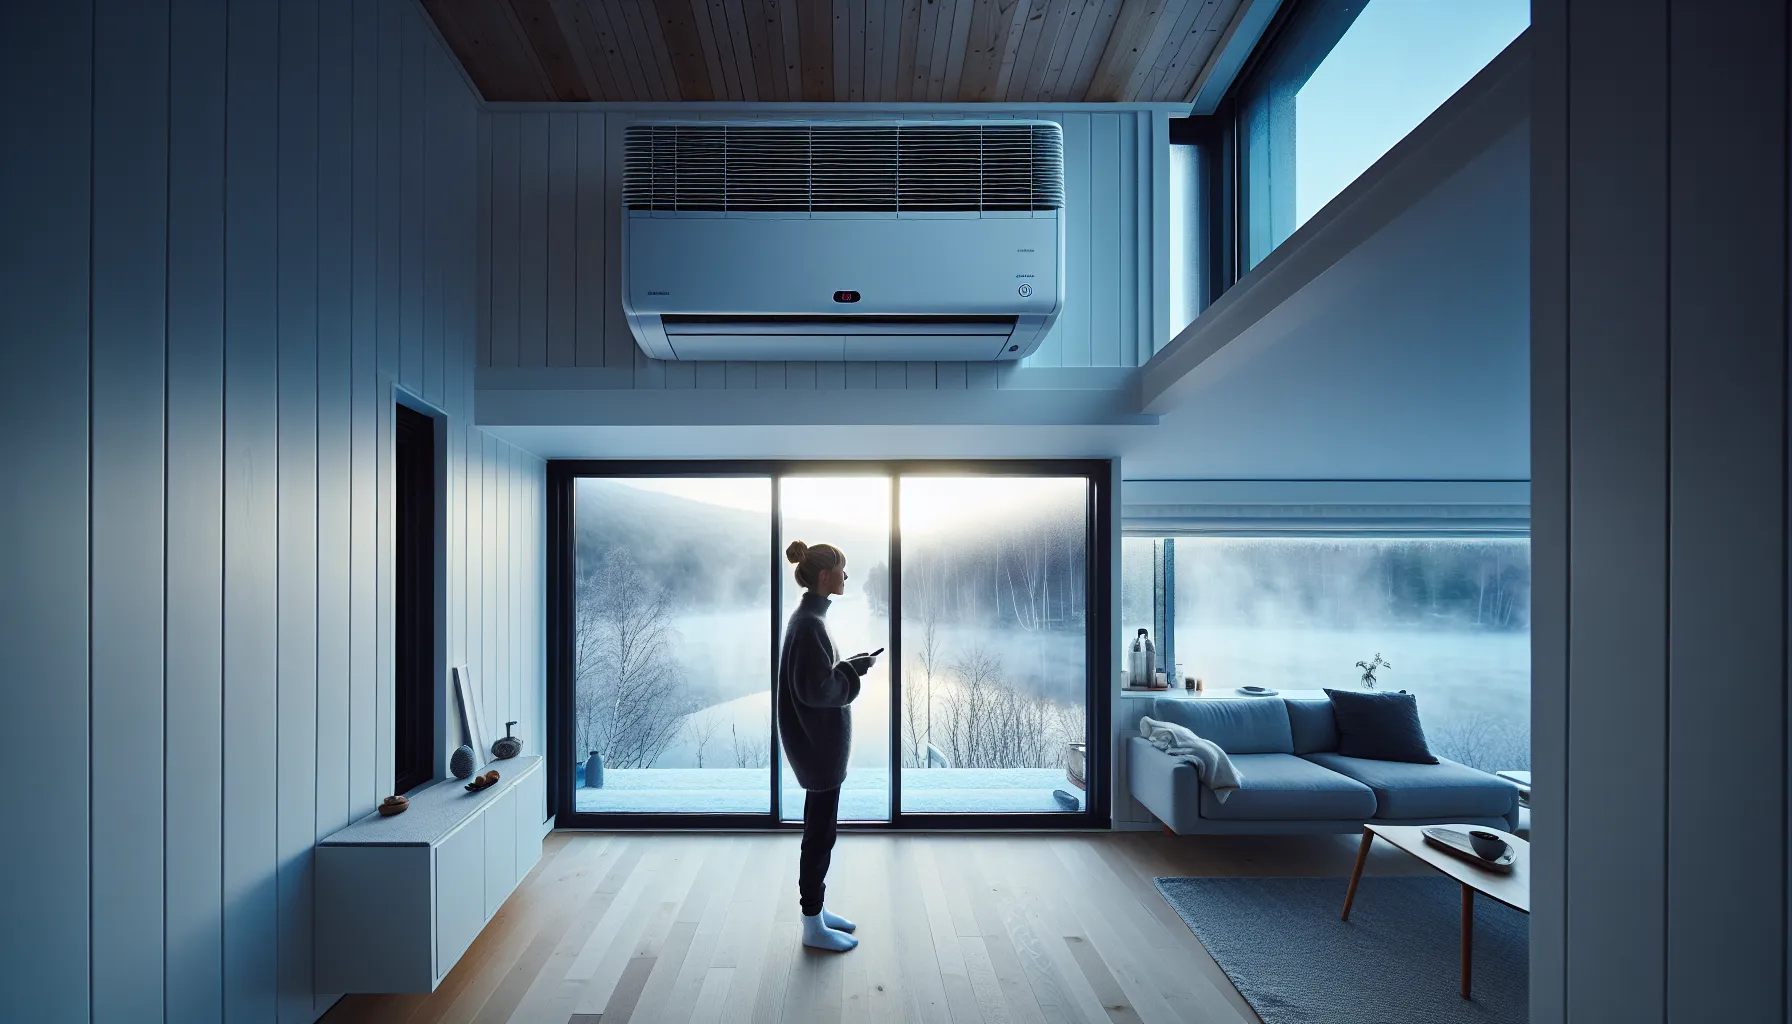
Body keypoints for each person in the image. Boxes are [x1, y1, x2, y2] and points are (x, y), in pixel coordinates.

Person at [779, 539, 877, 952]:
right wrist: (853, 677)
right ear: (825, 577)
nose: (846, 576)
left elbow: (816, 678)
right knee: (819, 838)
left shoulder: (810, 621)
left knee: (821, 833)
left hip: (819, 750)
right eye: (842, 569)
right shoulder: (809, 625)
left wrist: (850, 667)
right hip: (819, 752)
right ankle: (812, 926)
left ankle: (816, 912)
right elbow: (817, 690)